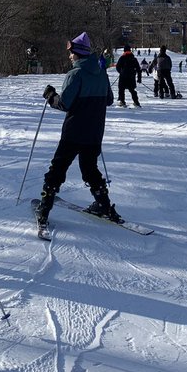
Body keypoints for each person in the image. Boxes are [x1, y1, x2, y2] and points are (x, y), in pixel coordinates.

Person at [36, 31, 120, 226]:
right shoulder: (101, 72)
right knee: (90, 169)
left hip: (73, 132)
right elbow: (109, 100)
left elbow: (64, 104)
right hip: (94, 132)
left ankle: (44, 209)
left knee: (58, 169)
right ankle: (104, 205)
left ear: (78, 53)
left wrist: (51, 96)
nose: (69, 56)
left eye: (71, 52)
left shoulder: (75, 74)